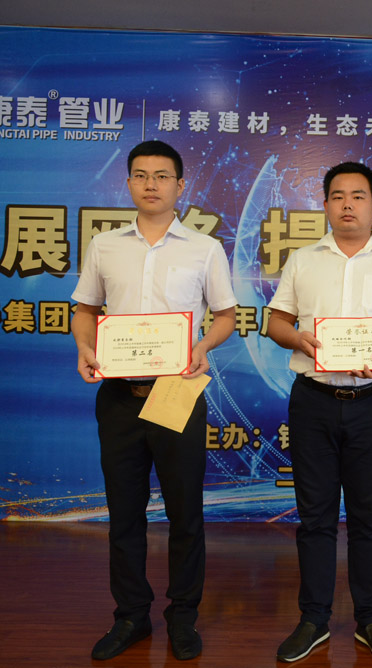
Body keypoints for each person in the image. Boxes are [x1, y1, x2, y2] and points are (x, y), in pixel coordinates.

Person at [71, 140, 237, 661]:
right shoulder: (105, 246)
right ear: (127, 184)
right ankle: (131, 616)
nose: (151, 184)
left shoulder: (204, 248)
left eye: (162, 176)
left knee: (186, 514)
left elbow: (226, 316)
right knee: (125, 514)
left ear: (180, 185)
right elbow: (85, 309)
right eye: (141, 175)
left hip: (176, 391)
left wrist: (202, 347)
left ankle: (183, 617)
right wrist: (84, 347)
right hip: (119, 395)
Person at [266, 161, 372, 664]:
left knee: (368, 518)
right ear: (325, 205)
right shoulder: (303, 260)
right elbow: (276, 322)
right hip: (314, 400)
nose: (347, 205)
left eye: (358, 196)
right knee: (315, 517)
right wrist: (300, 339)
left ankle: (369, 620)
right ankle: (314, 620)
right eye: (337, 196)